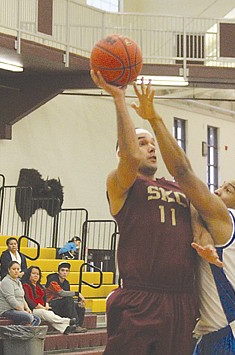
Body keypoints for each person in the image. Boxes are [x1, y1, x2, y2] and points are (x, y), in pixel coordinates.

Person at [130, 78, 235, 354]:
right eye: (220, 185)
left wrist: (155, 119)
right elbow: (197, 221)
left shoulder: (230, 219)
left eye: (228, 189)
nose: (218, 191)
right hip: (212, 336)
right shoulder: (224, 227)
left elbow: (183, 173)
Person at [90, 70, 201, 355]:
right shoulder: (120, 182)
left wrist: (154, 118)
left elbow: (184, 168)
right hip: (141, 296)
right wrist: (119, 99)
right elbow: (130, 157)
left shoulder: (179, 186)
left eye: (152, 143)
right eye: (142, 142)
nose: (150, 148)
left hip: (182, 298)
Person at [22, 265, 77, 334]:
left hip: (42, 307)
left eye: (37, 274)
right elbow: (30, 301)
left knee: (49, 314)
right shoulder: (26, 285)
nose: (36, 275)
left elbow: (45, 298)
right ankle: (67, 321)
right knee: (45, 313)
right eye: (33, 273)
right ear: (29, 274)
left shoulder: (39, 286)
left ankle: (64, 329)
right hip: (31, 309)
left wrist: (46, 305)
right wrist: (43, 307)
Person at [45, 262, 87, 333]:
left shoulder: (66, 283)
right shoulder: (53, 279)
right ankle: (75, 325)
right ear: (58, 272)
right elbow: (61, 293)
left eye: (67, 271)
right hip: (50, 304)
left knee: (80, 306)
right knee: (69, 299)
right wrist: (77, 293)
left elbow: (67, 296)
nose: (64, 273)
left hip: (61, 304)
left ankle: (77, 326)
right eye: (62, 270)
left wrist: (78, 303)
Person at [0, 261, 41, 326]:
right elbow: (11, 300)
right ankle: (26, 334)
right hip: (8, 310)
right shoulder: (6, 282)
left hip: (19, 310)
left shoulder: (19, 282)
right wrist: (22, 310)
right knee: (29, 317)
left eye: (18, 269)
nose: (16, 271)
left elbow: (22, 297)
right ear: (9, 270)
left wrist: (27, 308)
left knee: (37, 319)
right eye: (14, 269)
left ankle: (27, 334)